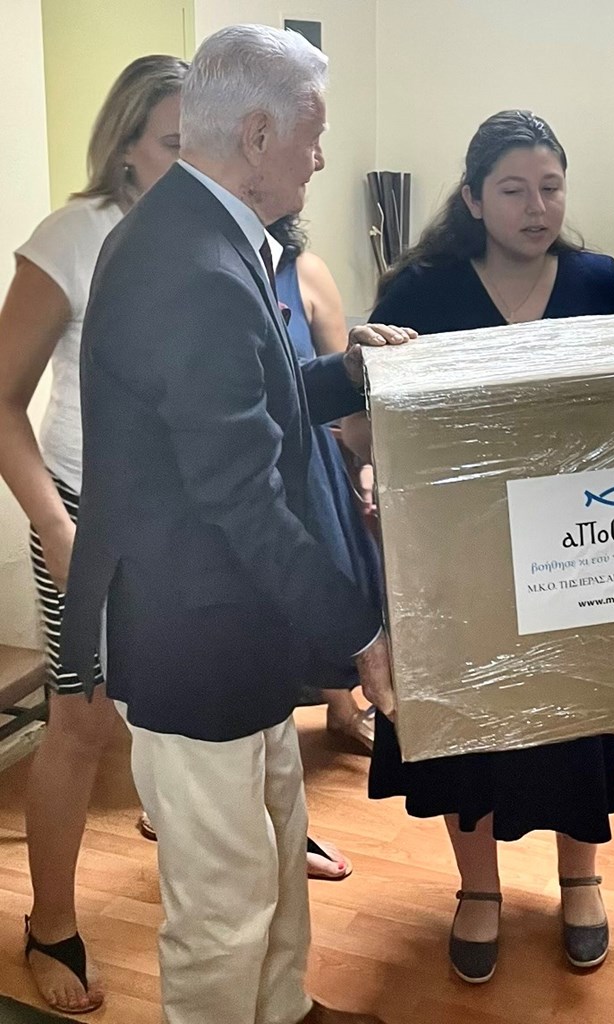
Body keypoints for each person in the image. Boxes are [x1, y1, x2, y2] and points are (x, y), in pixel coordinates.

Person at [61, 25, 409, 1024]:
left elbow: (242, 397)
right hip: (193, 629)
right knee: (222, 902)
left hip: (235, 618)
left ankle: (285, 1009)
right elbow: (242, 497)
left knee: (276, 842)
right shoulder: (192, 266)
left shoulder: (202, 232)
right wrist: (361, 628)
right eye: (312, 135)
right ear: (257, 135)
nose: (321, 157)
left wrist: (350, 370)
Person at [367, 109, 614, 984]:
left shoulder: (596, 281)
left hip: (576, 546)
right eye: (514, 190)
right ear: (475, 199)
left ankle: (580, 879)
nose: (536, 207)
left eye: (550, 188)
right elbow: (369, 415)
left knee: (576, 716)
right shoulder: (420, 290)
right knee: (469, 725)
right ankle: (476, 889)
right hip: (458, 554)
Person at [0, 55, 186, 1015]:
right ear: (125, 149)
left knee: (197, 703)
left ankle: (198, 836)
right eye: (173, 142)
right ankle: (51, 923)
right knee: (80, 723)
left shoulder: (224, 232)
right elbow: (0, 401)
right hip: (89, 515)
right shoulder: (73, 238)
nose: (193, 161)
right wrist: (54, 524)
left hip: (193, 519)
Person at [268, 214, 382, 760]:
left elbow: (347, 393)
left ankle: (344, 707)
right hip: (249, 465)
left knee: (331, 573)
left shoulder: (306, 271)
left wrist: (363, 471)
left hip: (310, 464)